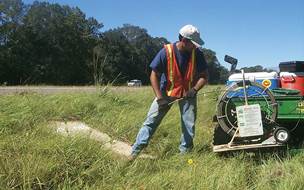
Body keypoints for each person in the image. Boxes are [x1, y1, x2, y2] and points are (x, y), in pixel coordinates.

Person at [130, 24, 208, 158]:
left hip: (188, 94)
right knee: (151, 121)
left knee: (188, 125)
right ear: (184, 41)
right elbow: (154, 74)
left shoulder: (198, 53)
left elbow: (204, 76)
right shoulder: (166, 52)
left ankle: (185, 155)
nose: (195, 46)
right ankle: (135, 152)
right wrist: (160, 98)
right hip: (166, 93)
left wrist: (194, 89)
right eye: (193, 43)